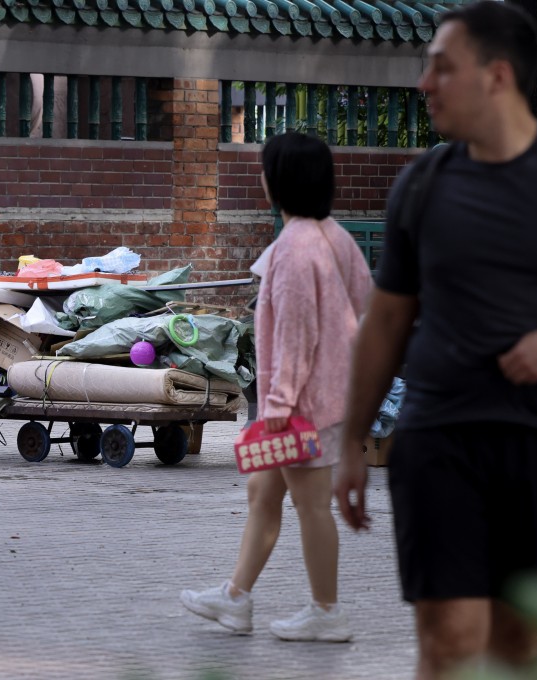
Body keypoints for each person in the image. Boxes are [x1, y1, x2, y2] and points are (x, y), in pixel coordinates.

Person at [333, 3, 537, 678]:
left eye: (442, 66)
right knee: (448, 642)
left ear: (496, 77)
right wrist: (351, 440)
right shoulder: (424, 185)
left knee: (514, 651)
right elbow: (386, 319)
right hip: (438, 437)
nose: (424, 83)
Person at [180, 132, 372, 641]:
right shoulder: (336, 237)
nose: (262, 177)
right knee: (263, 492)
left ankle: (326, 612)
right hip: (327, 398)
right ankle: (236, 597)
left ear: (279, 182)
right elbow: (363, 308)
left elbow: (294, 338)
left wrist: (280, 406)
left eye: (266, 169)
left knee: (310, 506)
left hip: (300, 406)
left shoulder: (293, 250)